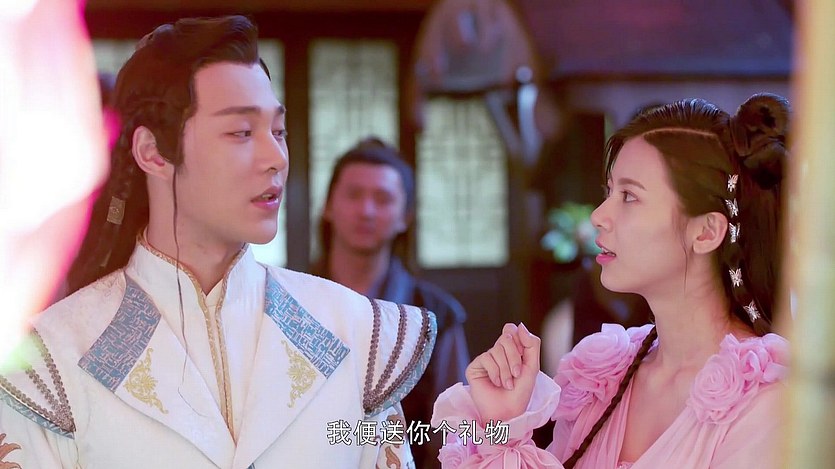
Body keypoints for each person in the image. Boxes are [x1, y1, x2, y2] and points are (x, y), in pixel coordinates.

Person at [0, 16, 436, 468]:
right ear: (153, 152)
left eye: (279, 132)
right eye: (241, 132)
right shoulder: (52, 363)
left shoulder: (355, 334)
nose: (276, 158)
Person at [431, 94, 790, 468]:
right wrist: (503, 421)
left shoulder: (769, 403)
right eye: (609, 192)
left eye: (629, 196)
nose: (599, 216)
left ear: (706, 231)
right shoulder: (602, 378)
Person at [312, 137, 470, 468]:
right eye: (354, 195)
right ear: (328, 206)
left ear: (405, 216)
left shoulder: (436, 315)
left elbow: (453, 434)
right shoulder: (290, 298)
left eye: (383, 199)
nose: (366, 211)